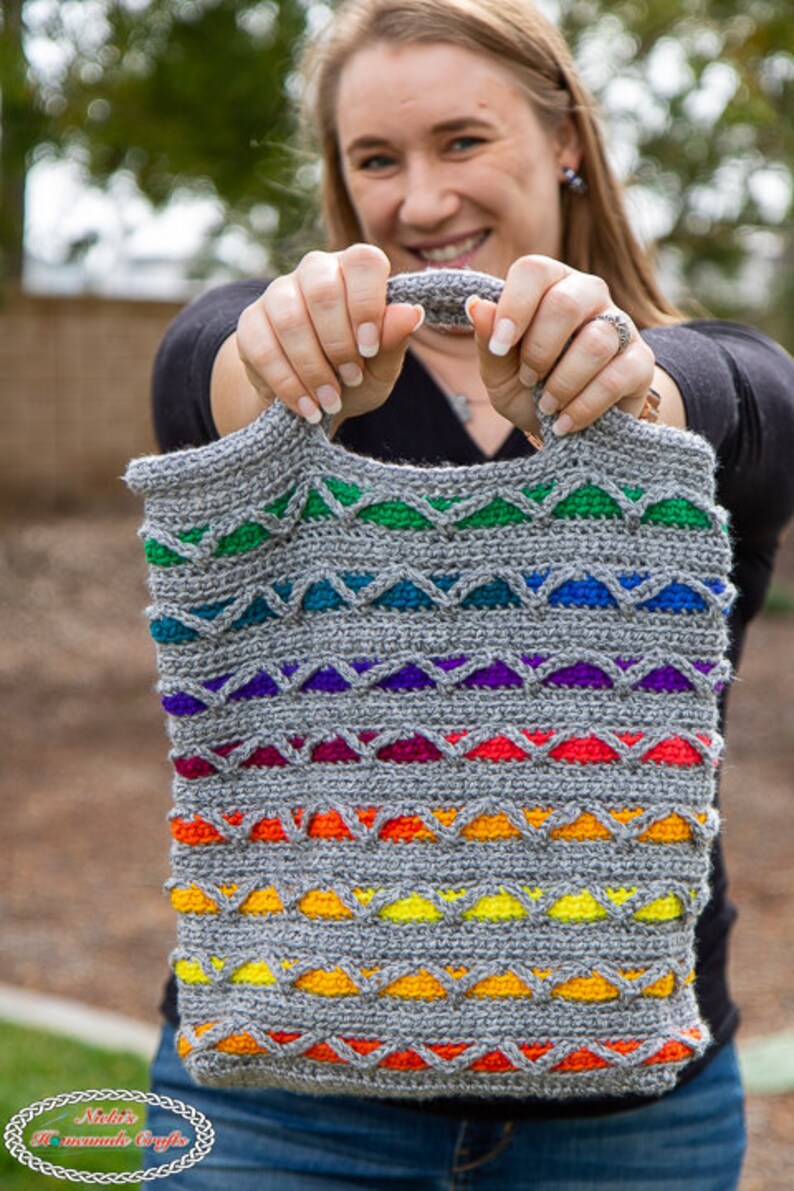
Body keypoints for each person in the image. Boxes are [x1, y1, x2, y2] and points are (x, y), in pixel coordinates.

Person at [143, 1, 794, 1186]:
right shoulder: (288, 369)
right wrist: (274, 353)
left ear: (563, 138)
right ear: (340, 180)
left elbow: (736, 401)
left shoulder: (711, 378)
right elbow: (207, 368)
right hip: (275, 1107)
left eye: (460, 141)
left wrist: (620, 382)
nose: (420, 200)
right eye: (374, 160)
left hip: (624, 1123)